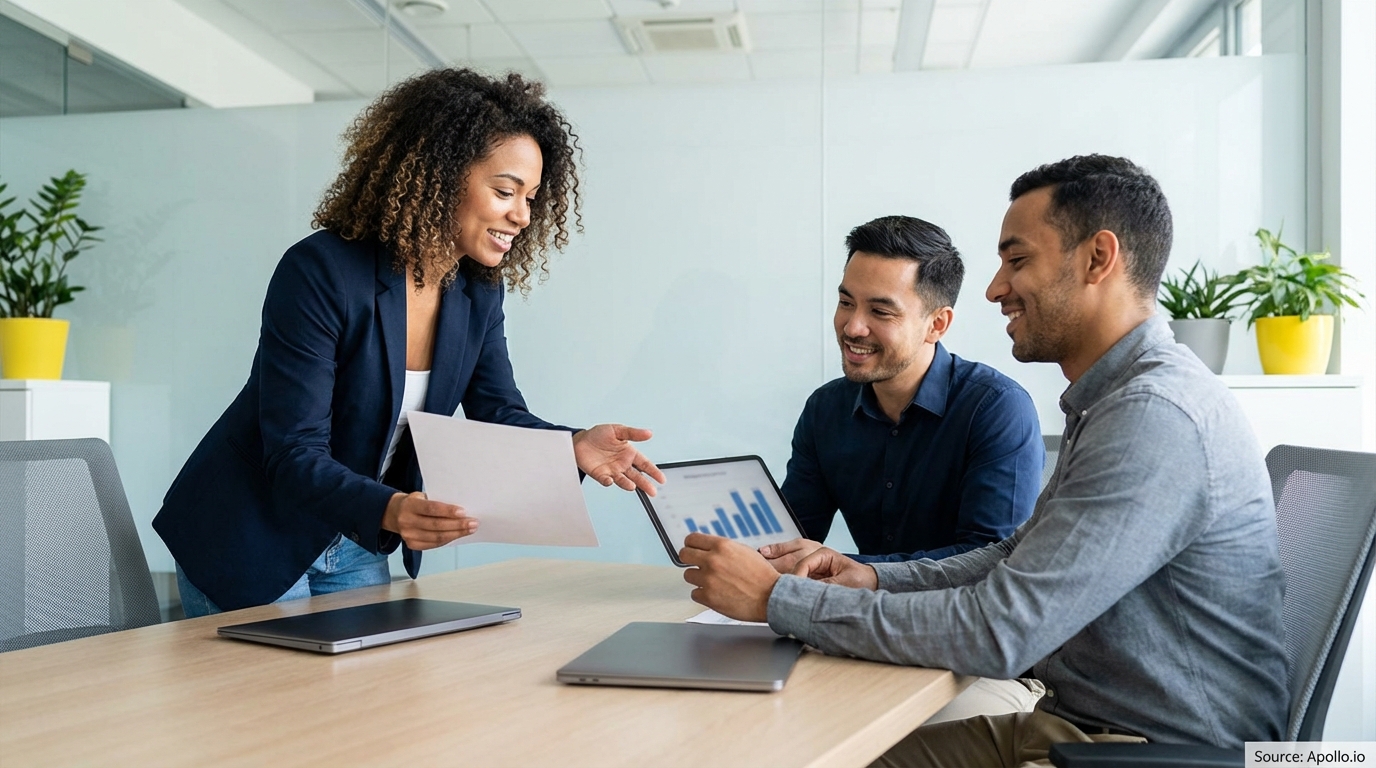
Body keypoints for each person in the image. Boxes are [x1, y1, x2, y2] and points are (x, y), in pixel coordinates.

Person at [679, 154, 1288, 765]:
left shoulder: (1155, 415)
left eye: (1017, 261)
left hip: (1143, 751)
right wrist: (870, 575)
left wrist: (778, 602)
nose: (996, 288)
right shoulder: (1113, 400)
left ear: (1098, 259)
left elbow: (1000, 630)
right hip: (1072, 726)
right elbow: (1010, 557)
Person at [155, 68, 665, 617]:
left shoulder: (477, 292)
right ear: (440, 175)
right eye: (504, 191)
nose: (522, 215)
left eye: (532, 197)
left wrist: (573, 447)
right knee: (268, 702)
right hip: (252, 531)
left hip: (353, 535)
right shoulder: (322, 271)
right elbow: (293, 452)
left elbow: (498, 413)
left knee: (367, 696)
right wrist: (395, 508)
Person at [761, 216, 1042, 575]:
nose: (852, 327)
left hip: (954, 622)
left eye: (880, 311)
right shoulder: (825, 409)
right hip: (856, 619)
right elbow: (790, 540)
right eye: (846, 302)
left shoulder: (997, 408)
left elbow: (989, 560)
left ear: (937, 324)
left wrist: (851, 570)